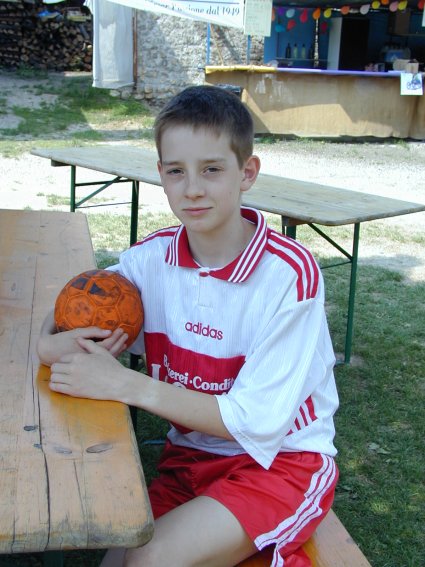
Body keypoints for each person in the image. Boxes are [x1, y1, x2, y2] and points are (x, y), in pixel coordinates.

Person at [37, 85, 339, 567]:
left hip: (279, 463)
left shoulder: (288, 275)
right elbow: (74, 304)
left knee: (148, 560)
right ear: (161, 174)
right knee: (115, 560)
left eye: (212, 169)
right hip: (190, 457)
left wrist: (125, 384)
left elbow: (251, 424)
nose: (192, 188)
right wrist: (48, 343)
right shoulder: (151, 260)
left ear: (247, 172)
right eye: (177, 171)